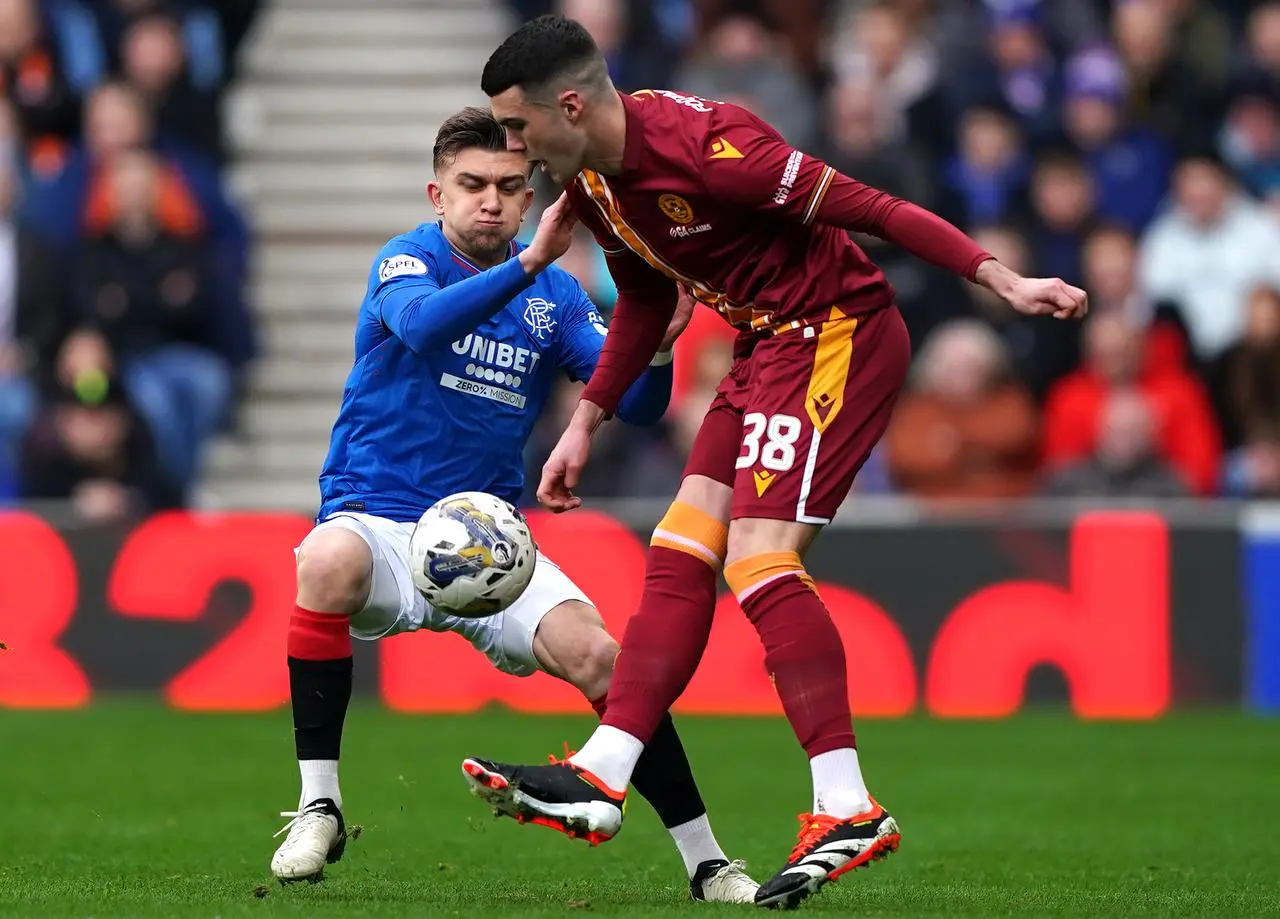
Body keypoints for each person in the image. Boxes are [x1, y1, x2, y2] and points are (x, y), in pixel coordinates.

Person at [461, 15, 1087, 910]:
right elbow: (642, 296)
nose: (512, 150)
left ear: (570, 105)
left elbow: (874, 208)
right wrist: (586, 420)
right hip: (764, 344)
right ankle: (604, 773)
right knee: (679, 552)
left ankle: (847, 804)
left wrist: (1000, 278)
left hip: (839, 329)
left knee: (757, 555)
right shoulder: (591, 177)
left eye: (518, 129)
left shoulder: (716, 148)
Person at [268, 107, 758, 905]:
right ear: (438, 194)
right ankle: (318, 804)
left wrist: (660, 345)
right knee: (324, 561)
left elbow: (631, 403)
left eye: (506, 186)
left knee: (604, 657)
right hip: (380, 520)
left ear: (529, 198)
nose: (489, 201)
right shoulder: (407, 262)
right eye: (471, 186)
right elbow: (424, 329)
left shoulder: (556, 300)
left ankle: (708, 862)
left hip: (488, 538)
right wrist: (530, 263)